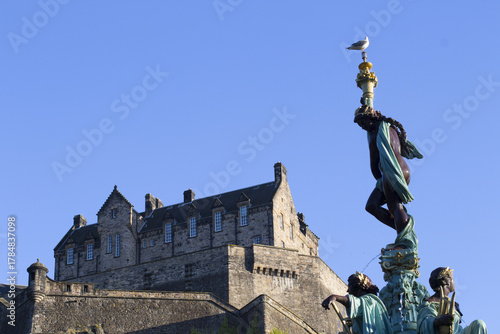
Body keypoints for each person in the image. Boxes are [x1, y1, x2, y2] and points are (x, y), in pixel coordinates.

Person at [354, 105, 423, 234]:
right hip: (403, 169)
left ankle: (404, 238)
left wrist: (379, 180)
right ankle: (403, 232)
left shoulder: (375, 134)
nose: (363, 127)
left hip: (391, 170)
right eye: (360, 125)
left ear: (372, 119)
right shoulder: (390, 127)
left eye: (363, 123)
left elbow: (374, 164)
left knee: (394, 206)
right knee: (372, 206)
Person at [417, 267, 487, 334]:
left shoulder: (454, 304)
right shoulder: (430, 302)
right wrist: (439, 321)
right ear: (445, 281)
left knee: (479, 324)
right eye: (452, 279)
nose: (454, 282)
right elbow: (425, 322)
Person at [322, 272, 392, 334]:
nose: (347, 290)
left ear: (358, 286)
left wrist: (334, 297)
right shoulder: (367, 305)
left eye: (350, 286)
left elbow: (355, 303)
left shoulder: (370, 301)